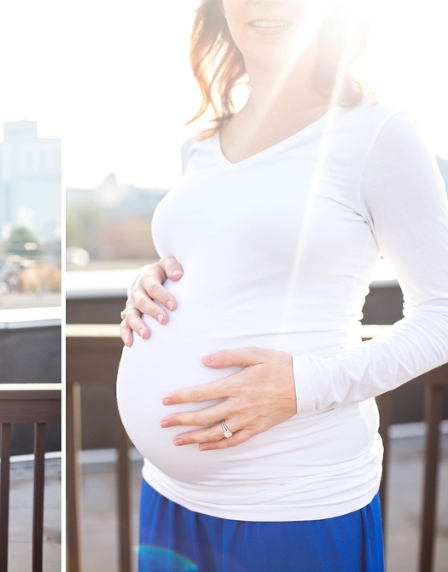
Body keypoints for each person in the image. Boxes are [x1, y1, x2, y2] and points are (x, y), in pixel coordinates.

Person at [115, 1, 448, 571]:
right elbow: (226, 258)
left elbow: (442, 315)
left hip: (294, 502)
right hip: (169, 496)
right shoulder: (200, 141)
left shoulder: (377, 131)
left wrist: (303, 386)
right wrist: (148, 282)